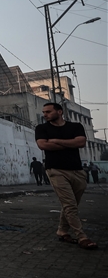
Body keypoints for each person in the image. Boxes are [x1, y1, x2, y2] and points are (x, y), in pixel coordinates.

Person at [36, 102, 97, 250]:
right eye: (44, 112)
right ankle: (81, 236)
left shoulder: (75, 127)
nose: (45, 115)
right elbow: (43, 145)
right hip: (55, 170)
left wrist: (56, 141)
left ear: (60, 112)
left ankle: (62, 231)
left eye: (48, 112)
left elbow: (81, 142)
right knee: (70, 205)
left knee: (71, 204)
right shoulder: (42, 128)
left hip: (76, 170)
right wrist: (71, 143)